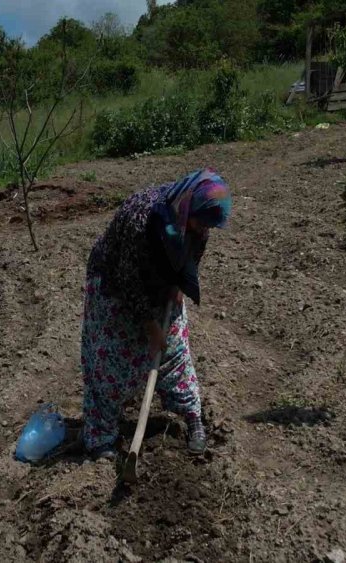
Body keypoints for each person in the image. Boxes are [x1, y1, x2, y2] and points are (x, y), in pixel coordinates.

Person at [80, 168, 232, 460]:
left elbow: (192, 255)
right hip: (115, 286)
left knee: (174, 351)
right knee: (111, 361)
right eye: (202, 223)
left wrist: (178, 285)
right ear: (188, 207)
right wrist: (150, 328)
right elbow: (127, 279)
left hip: (162, 284)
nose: (204, 230)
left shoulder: (198, 222)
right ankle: (101, 437)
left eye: (208, 227)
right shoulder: (141, 217)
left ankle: (192, 416)